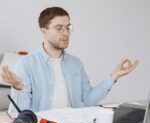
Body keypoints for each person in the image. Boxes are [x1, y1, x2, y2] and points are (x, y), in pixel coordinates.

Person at [1, 7, 138, 113]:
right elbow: (21, 114)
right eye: (59, 28)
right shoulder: (26, 64)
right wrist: (18, 88)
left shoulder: (75, 63)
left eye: (68, 28)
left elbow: (89, 99)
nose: (65, 33)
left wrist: (113, 76)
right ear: (44, 31)